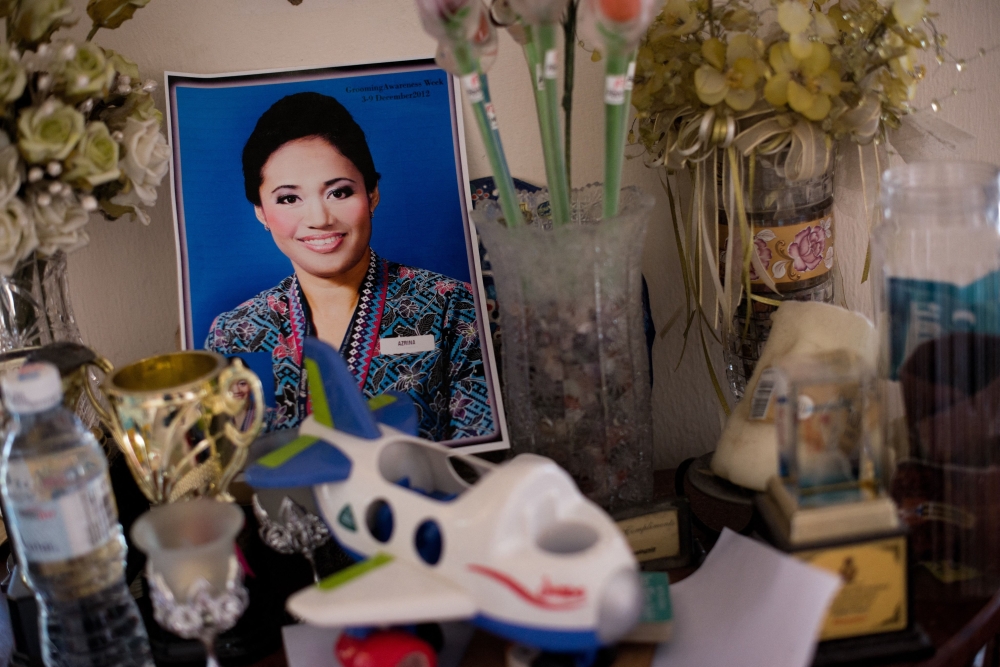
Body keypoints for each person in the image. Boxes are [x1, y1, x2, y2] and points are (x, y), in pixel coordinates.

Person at [206, 92, 494, 442]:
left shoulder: (453, 307)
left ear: (372, 194)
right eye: (288, 198)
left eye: (339, 192)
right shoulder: (234, 332)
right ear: (261, 212)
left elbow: (479, 453)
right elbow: (227, 465)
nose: (319, 219)